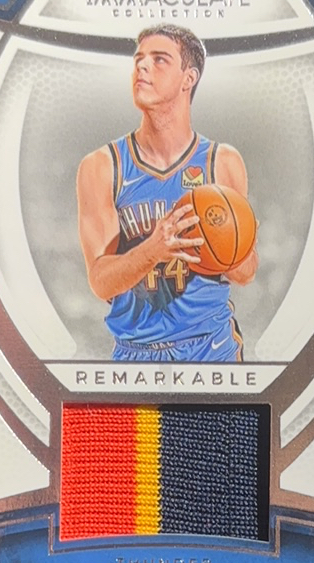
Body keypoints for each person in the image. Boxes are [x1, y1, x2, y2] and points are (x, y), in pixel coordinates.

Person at [77, 25, 258, 362]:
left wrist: (232, 239)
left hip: (211, 348)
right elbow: (100, 282)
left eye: (159, 59)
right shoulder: (103, 166)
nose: (142, 67)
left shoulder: (222, 162)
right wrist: (153, 250)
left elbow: (245, 274)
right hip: (137, 352)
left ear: (188, 78)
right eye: (138, 60)